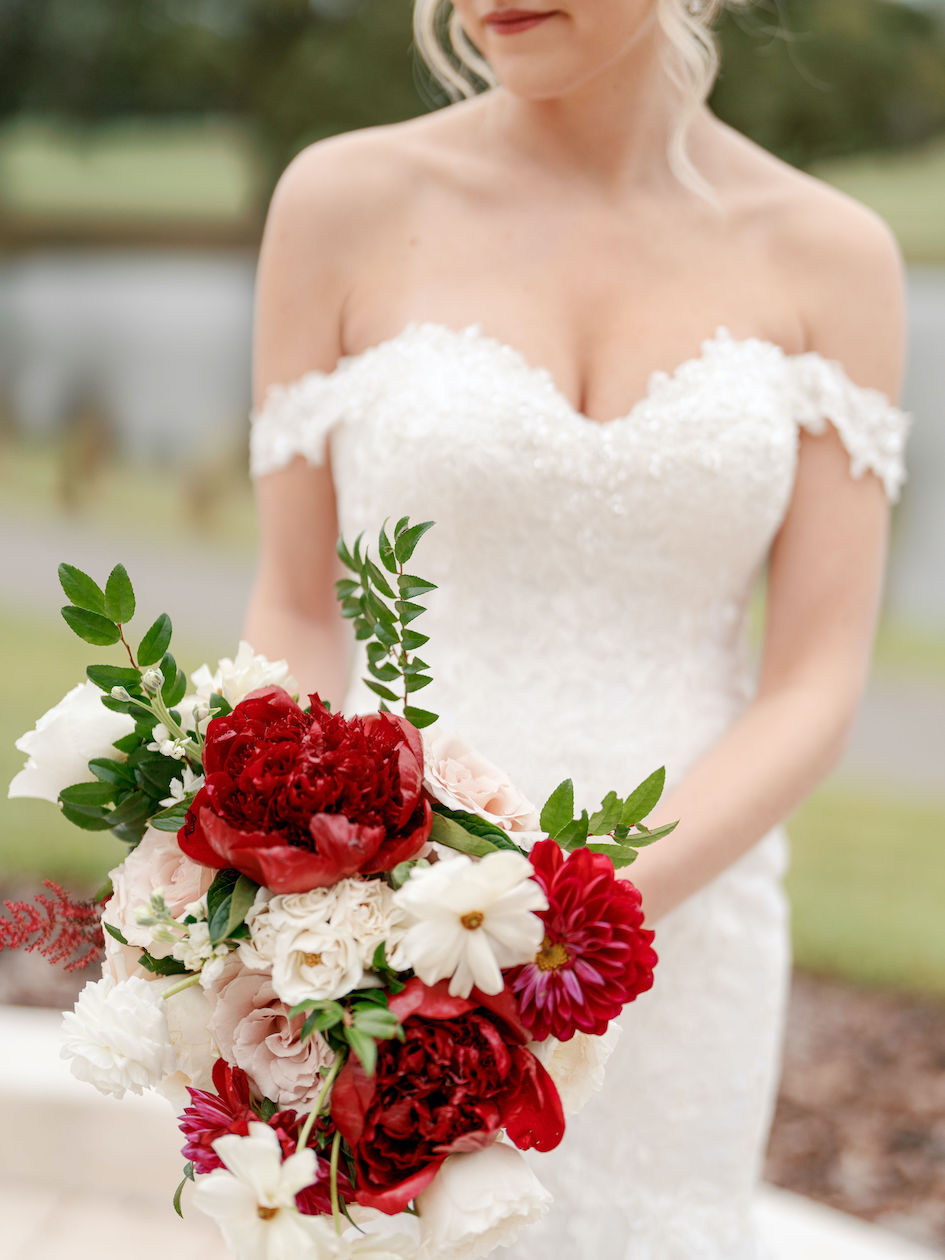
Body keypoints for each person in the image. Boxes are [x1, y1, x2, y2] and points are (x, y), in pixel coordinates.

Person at [242, 1, 913, 1255]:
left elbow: (817, 678)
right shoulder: (341, 201)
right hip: (388, 931)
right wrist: (288, 893)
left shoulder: (836, 257)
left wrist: (576, 924)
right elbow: (294, 602)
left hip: (684, 929)